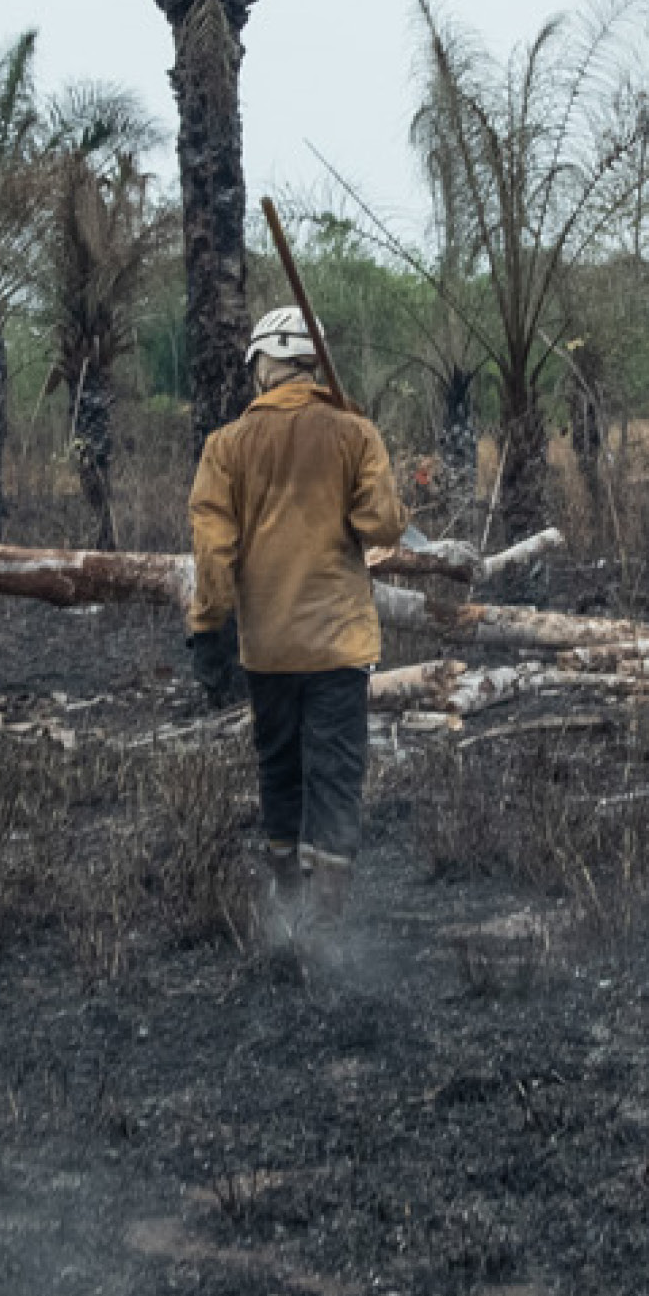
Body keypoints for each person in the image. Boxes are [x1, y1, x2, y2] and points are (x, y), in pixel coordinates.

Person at [186, 305, 407, 933]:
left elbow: (213, 553)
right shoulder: (354, 433)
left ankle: (286, 912)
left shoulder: (225, 447)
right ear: (310, 364)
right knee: (335, 776)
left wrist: (207, 627)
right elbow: (382, 527)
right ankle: (327, 931)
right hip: (339, 645)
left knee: (279, 770)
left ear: (263, 364)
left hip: (269, 646)